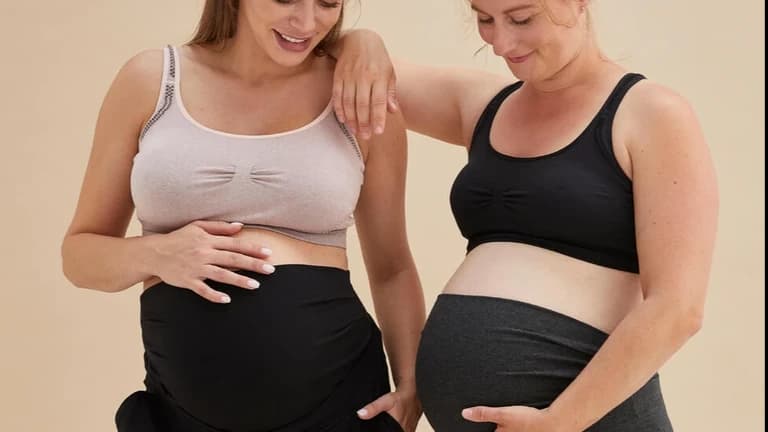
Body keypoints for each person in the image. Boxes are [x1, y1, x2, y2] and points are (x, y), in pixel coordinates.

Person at [331, 0, 719, 430]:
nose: (500, 42)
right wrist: (362, 40)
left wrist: (559, 421)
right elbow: (344, 63)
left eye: (521, 19)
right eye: (484, 20)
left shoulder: (651, 113)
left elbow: (677, 308)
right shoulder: (483, 104)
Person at [60, 1, 426, 431]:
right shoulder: (152, 81)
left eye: (328, 2)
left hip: (341, 405)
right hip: (178, 415)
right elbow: (79, 257)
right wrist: (156, 253)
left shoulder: (359, 94)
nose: (307, 22)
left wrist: (412, 385)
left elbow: (391, 267)